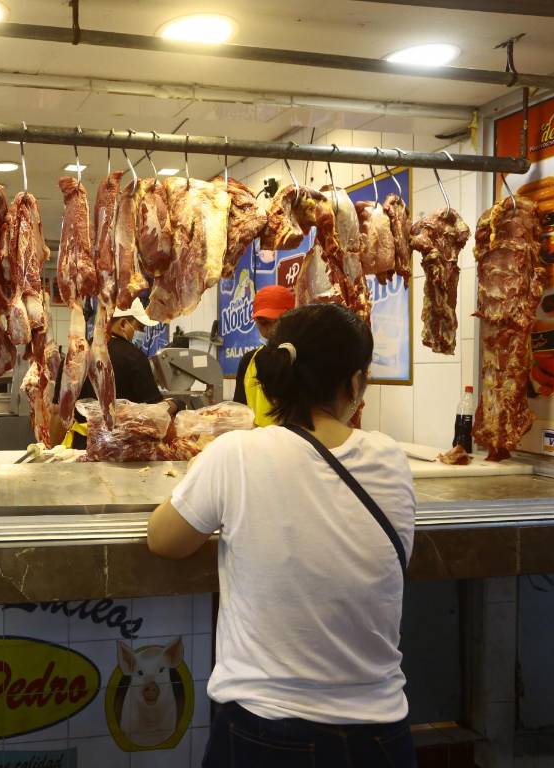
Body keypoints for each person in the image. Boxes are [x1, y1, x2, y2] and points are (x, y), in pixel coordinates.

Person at [147, 303, 416, 768]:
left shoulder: (235, 454)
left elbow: (164, 540)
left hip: (266, 732)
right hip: (381, 738)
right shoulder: (391, 459)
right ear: (354, 384)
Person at [62, 298, 174, 448]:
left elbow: (58, 411)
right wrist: (173, 404)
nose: (140, 333)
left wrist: (54, 453)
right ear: (122, 324)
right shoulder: (134, 357)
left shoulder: (77, 352)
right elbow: (154, 414)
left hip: (81, 448)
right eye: (139, 327)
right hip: (121, 450)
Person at [232, 284, 295, 426]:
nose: (272, 330)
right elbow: (239, 411)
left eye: (278, 322)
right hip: (255, 444)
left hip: (297, 445)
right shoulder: (248, 361)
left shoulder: (305, 358)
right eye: (264, 323)